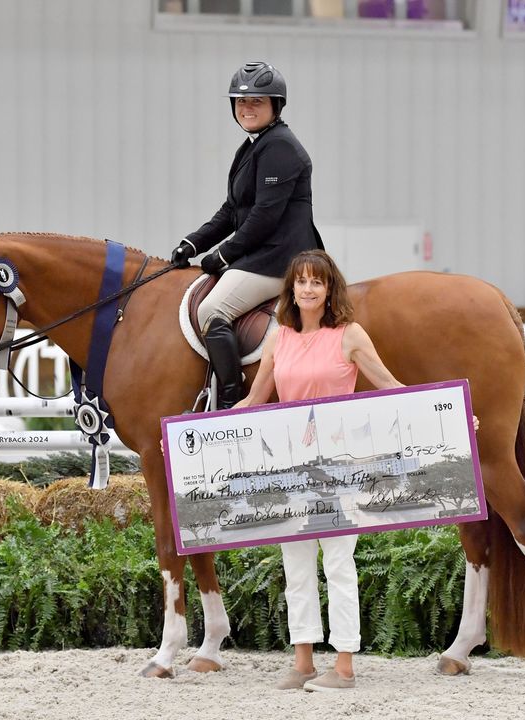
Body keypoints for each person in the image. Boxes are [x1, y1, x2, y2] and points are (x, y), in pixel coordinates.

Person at [233, 249, 404, 692]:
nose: (308, 289)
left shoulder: (350, 335)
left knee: (340, 563)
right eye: (301, 281)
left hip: (339, 469)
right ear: (291, 289)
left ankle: (344, 667)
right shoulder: (278, 339)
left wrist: (453, 414)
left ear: (329, 290)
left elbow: (390, 385)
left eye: (317, 282)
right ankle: (303, 662)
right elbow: (253, 401)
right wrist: (188, 438)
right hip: (291, 469)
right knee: (296, 567)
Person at [170, 60, 323, 410]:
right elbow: (232, 210)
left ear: (275, 105)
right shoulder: (254, 145)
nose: (247, 108)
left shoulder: (280, 147)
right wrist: (193, 243)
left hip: (281, 259)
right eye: (241, 101)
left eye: (256, 101)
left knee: (212, 311)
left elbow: (264, 216)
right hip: (261, 253)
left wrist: (223, 254)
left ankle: (231, 397)